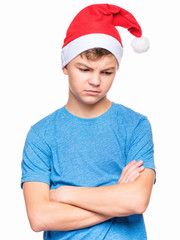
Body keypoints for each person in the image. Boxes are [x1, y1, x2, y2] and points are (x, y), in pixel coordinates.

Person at [21, 4, 155, 240]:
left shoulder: (135, 126)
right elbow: (40, 217)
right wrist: (115, 198)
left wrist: (64, 194)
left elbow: (136, 200)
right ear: (65, 66)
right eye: (84, 69)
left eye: (107, 72)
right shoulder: (41, 134)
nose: (95, 81)